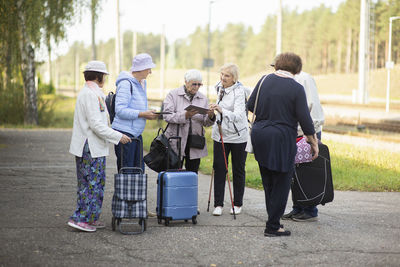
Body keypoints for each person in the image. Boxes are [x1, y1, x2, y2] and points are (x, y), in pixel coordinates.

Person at [246, 53, 319, 237]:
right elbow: (305, 119)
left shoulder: (264, 80)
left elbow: (250, 105)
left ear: (277, 65)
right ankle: (272, 226)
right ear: (296, 69)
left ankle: (273, 221)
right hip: (281, 138)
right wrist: (313, 141)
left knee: (269, 180)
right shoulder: (296, 88)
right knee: (282, 181)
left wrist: (268, 114)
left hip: (260, 135)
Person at [68, 61, 131, 232]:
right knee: (91, 184)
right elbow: (96, 125)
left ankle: (91, 217)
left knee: (96, 183)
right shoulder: (90, 94)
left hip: (93, 146)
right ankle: (80, 218)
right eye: (104, 75)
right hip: (90, 147)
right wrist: (118, 136)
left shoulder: (93, 93)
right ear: (98, 76)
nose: (105, 78)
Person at [282, 71, 325, 222]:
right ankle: (298, 208)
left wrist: (311, 132)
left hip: (308, 133)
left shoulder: (304, 79)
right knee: (295, 175)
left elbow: (312, 105)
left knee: (308, 173)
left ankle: (310, 210)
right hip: (296, 133)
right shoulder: (287, 80)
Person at [209, 63, 249, 216]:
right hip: (220, 135)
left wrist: (221, 110)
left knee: (238, 170)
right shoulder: (219, 88)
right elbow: (218, 113)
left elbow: (239, 116)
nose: (223, 78)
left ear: (234, 78)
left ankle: (237, 203)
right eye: (222, 74)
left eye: (227, 75)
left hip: (238, 136)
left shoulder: (239, 92)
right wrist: (212, 112)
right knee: (219, 168)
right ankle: (218, 204)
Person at [111, 53, 159, 172]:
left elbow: (137, 107)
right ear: (141, 68)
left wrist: (148, 114)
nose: (150, 72)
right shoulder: (126, 83)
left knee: (137, 172)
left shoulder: (142, 83)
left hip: (136, 134)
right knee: (127, 172)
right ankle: (123, 192)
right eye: (149, 68)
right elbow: (120, 110)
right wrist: (143, 114)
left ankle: (133, 192)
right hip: (125, 134)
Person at [162, 69, 216, 173]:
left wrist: (211, 116)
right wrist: (185, 115)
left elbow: (206, 123)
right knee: (174, 172)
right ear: (186, 82)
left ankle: (190, 190)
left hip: (195, 142)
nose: (196, 87)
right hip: (176, 140)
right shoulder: (173, 95)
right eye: (193, 84)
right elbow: (166, 116)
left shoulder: (203, 99)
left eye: (199, 85)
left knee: (192, 173)